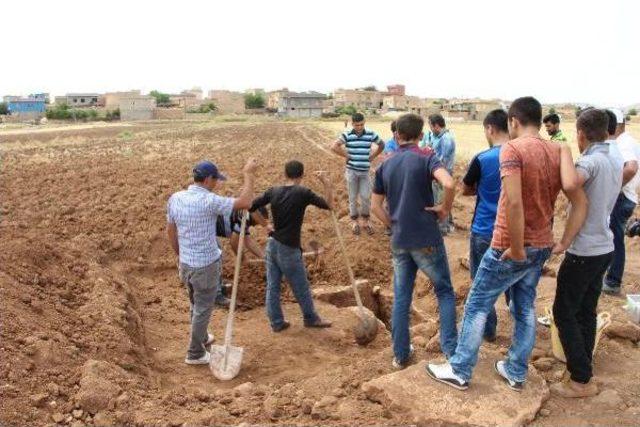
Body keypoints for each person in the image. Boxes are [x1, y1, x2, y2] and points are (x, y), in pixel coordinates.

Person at [427, 96, 587, 391]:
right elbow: (577, 196)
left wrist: (514, 247)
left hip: (509, 244)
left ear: (513, 121)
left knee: (477, 304)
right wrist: (564, 240)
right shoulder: (558, 149)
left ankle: (460, 369)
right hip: (542, 244)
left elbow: (513, 203)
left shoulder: (512, 149)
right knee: (524, 307)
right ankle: (515, 370)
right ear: (539, 121)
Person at [371, 113, 458, 369]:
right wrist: (444, 208)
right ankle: (451, 353)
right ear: (421, 136)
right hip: (426, 238)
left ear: (396, 135)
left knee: (401, 297)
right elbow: (449, 183)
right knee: (443, 291)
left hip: (399, 240)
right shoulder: (427, 157)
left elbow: (375, 205)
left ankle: (400, 355)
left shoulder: (385, 164)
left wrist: (391, 224)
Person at [551, 109, 622, 398]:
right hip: (605, 247)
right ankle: (583, 369)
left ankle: (580, 379)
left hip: (584, 250)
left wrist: (564, 151)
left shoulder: (590, 161)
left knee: (563, 311)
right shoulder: (614, 158)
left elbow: (569, 184)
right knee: (585, 311)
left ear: (581, 133)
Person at [166, 159, 256, 365]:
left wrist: (180, 255)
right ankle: (195, 353)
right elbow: (245, 203)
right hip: (205, 265)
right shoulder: (209, 201)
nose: (217, 184)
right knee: (203, 308)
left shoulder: (175, 198)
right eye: (216, 180)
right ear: (207, 179)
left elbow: (170, 230)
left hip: (187, 263)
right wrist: (249, 174)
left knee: (195, 303)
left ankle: (203, 337)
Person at [250, 160, 333, 332]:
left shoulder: (273, 191)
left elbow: (250, 206)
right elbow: (329, 205)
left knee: (273, 286)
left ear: (285, 174)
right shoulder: (303, 192)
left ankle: (276, 322)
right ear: (301, 175)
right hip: (289, 247)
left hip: (272, 245)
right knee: (300, 285)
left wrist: (265, 224)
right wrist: (326, 182)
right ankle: (311, 318)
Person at [461, 109, 510, 342]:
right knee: (515, 282)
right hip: (515, 231)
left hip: (484, 229)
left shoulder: (483, 158)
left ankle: (488, 331)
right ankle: (520, 330)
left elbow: (465, 188)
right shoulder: (522, 156)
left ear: (490, 128)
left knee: (481, 284)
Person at [603, 108, 640, 295]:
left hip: (622, 196)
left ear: (617, 125)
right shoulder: (630, 141)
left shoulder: (622, 143)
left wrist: (614, 187)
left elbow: (631, 168)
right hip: (628, 195)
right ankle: (610, 276)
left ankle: (613, 280)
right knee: (614, 237)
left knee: (615, 239)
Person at [332, 113, 385, 235]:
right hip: (351, 171)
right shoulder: (347, 134)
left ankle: (366, 220)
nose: (359, 127)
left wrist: (373, 156)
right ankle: (354, 221)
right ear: (352, 124)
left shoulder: (371, 134)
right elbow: (334, 146)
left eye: (361, 124)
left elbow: (382, 144)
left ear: (364, 122)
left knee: (366, 197)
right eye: (357, 125)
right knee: (352, 197)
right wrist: (347, 155)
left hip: (365, 172)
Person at [213, 207, 270, 307]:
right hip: (206, 229)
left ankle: (218, 287)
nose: (258, 224)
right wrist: (242, 258)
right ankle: (216, 295)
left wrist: (264, 256)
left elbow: (248, 241)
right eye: (260, 220)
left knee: (217, 257)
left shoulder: (246, 217)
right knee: (215, 257)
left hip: (211, 230)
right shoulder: (244, 217)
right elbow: (234, 241)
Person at [420, 113, 456, 234]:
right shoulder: (436, 137)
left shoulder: (446, 139)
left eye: (430, 126)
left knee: (440, 200)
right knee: (444, 198)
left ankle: (443, 228)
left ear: (436, 125)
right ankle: (449, 224)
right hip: (439, 173)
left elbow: (443, 160)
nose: (429, 129)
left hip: (443, 173)